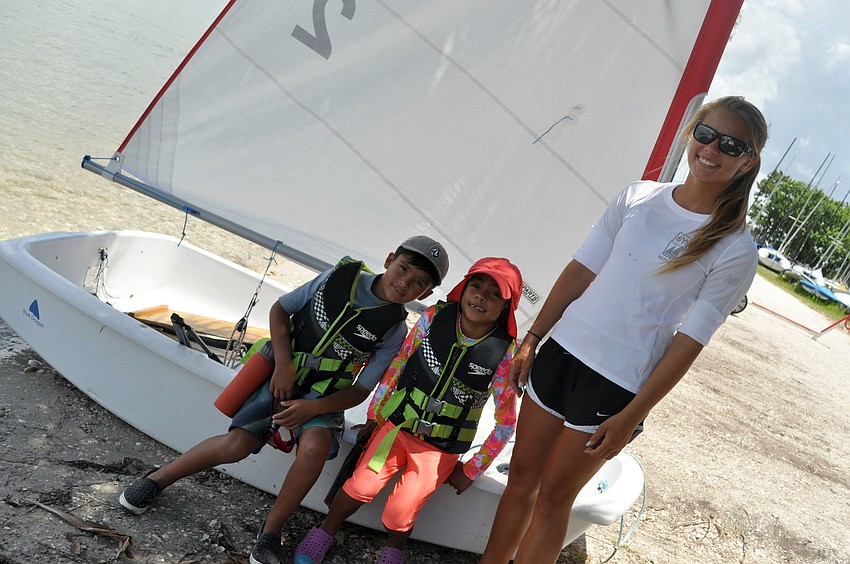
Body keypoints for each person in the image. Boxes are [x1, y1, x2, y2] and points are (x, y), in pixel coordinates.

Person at [480, 96, 768, 563]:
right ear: (691, 133)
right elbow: (580, 271)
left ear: (746, 161)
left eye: (731, 145)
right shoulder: (638, 196)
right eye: (706, 134)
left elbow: (687, 343)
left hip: (615, 384)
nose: (712, 149)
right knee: (520, 481)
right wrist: (532, 339)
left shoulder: (734, 248)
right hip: (560, 355)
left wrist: (634, 413)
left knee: (554, 501)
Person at [118, 235, 449, 564]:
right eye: (403, 269)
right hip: (280, 376)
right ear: (390, 259)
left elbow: (361, 390)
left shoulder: (394, 330)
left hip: (323, 398)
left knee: (314, 448)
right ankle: (156, 479)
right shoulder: (338, 277)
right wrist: (285, 365)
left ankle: (271, 532)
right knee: (236, 447)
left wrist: (313, 408)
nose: (404, 283)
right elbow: (281, 310)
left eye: (417, 282)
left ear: (426, 294)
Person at [292, 257, 524, 564]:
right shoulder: (433, 318)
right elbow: (398, 366)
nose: (481, 296)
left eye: (495, 294)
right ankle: (326, 529)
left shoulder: (506, 354)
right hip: (396, 427)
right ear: (463, 288)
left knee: (401, 511)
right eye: (476, 286)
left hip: (439, 449)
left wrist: (472, 469)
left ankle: (395, 549)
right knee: (359, 485)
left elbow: (506, 422)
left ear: (507, 308)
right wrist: (375, 416)